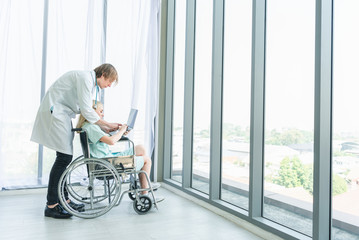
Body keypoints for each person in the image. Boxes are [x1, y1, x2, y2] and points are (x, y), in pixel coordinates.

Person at [31, 63, 120, 219]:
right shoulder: (86, 78)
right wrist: (107, 124)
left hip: (62, 114)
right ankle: (51, 206)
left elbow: (85, 109)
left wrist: (104, 127)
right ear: (103, 74)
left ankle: (64, 200)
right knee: (63, 159)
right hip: (56, 113)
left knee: (63, 159)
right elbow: (87, 110)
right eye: (109, 81)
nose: (109, 85)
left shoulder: (87, 81)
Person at [77, 101, 162, 198]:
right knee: (146, 160)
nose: (103, 114)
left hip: (107, 160)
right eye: (101, 111)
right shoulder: (92, 128)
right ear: (92, 112)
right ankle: (144, 193)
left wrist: (117, 131)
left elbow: (105, 138)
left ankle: (142, 183)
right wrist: (121, 131)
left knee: (140, 148)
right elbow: (111, 141)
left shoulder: (89, 126)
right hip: (107, 164)